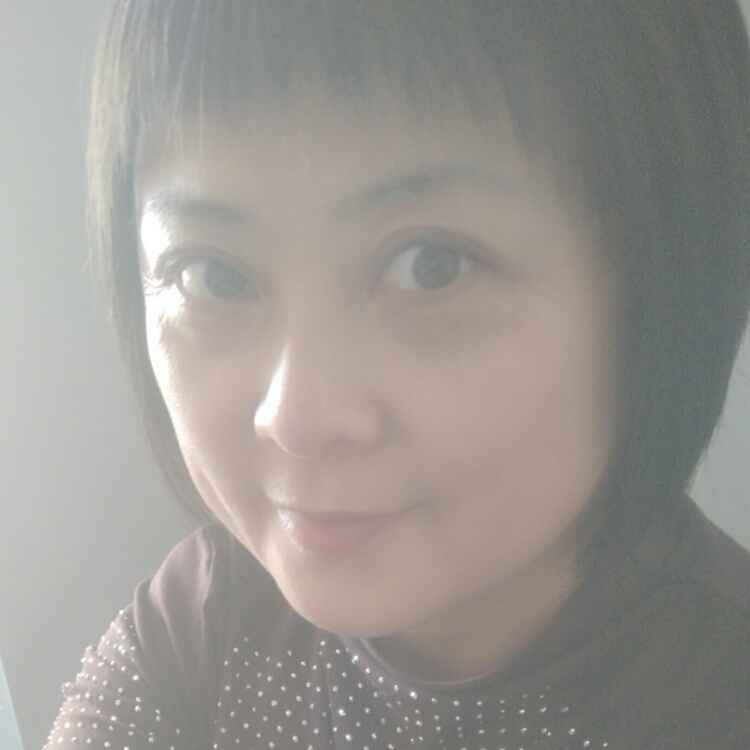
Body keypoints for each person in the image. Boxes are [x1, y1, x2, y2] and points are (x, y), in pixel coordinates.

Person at [45, 1, 750, 748]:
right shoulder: (205, 622)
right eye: (213, 275)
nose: (296, 419)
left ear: (660, 281)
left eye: (432, 266)